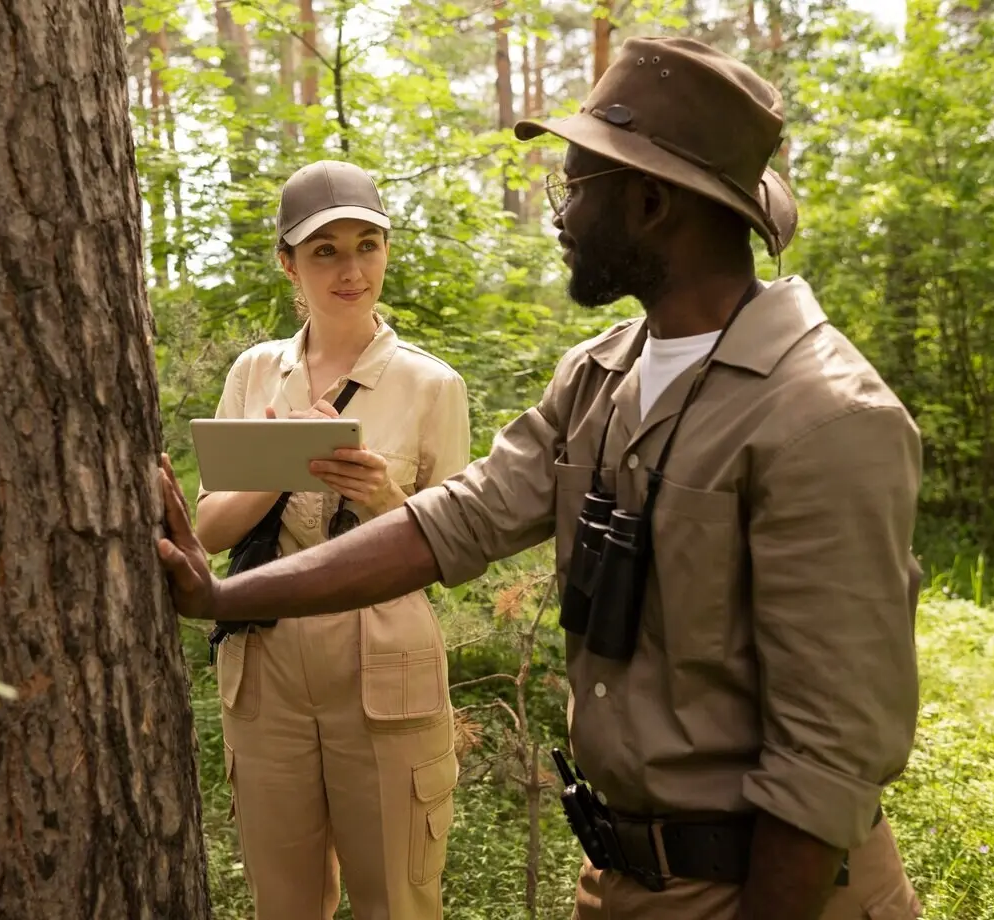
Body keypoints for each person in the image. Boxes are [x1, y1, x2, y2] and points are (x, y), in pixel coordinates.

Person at [160, 38, 925, 920]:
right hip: (627, 881)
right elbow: (457, 519)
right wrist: (223, 599)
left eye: (574, 188)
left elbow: (827, 758)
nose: (556, 215)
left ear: (648, 203)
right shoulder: (599, 377)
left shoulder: (825, 418)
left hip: (777, 894)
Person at [193, 158, 472, 920]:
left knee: (398, 901)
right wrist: (281, 465)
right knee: (283, 904)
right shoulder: (256, 375)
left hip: (384, 661)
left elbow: (457, 552)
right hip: (267, 664)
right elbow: (207, 531)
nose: (351, 270)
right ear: (288, 263)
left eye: (367, 246)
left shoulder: (431, 385)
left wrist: (384, 497)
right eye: (325, 251)